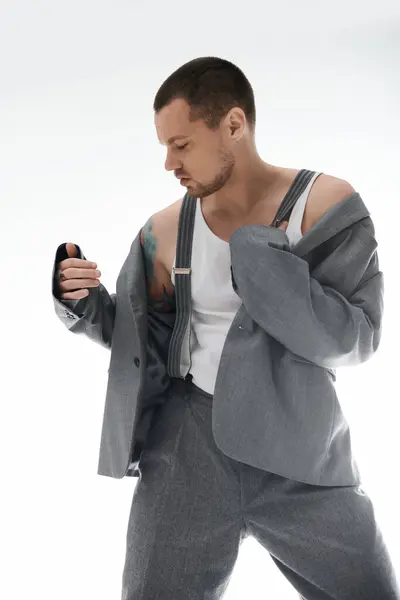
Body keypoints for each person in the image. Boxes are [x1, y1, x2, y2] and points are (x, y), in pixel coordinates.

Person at [53, 57, 400, 599]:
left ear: (234, 125)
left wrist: (261, 257)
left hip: (301, 454)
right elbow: (138, 341)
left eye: (182, 144)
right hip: (184, 454)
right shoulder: (164, 230)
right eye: (164, 146)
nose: (169, 162)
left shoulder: (326, 207)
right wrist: (81, 301)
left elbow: (353, 339)